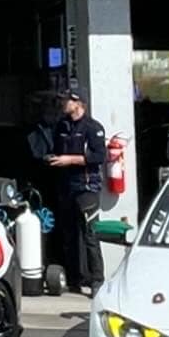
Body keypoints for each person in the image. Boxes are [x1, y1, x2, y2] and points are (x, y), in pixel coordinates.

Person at [48, 87, 107, 295]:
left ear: (78, 103)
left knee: (90, 234)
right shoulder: (61, 125)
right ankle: (74, 278)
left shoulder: (93, 127)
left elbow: (99, 156)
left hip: (87, 187)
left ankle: (97, 280)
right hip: (66, 186)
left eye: (67, 101)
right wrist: (54, 159)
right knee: (69, 234)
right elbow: (56, 150)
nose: (63, 104)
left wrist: (70, 160)